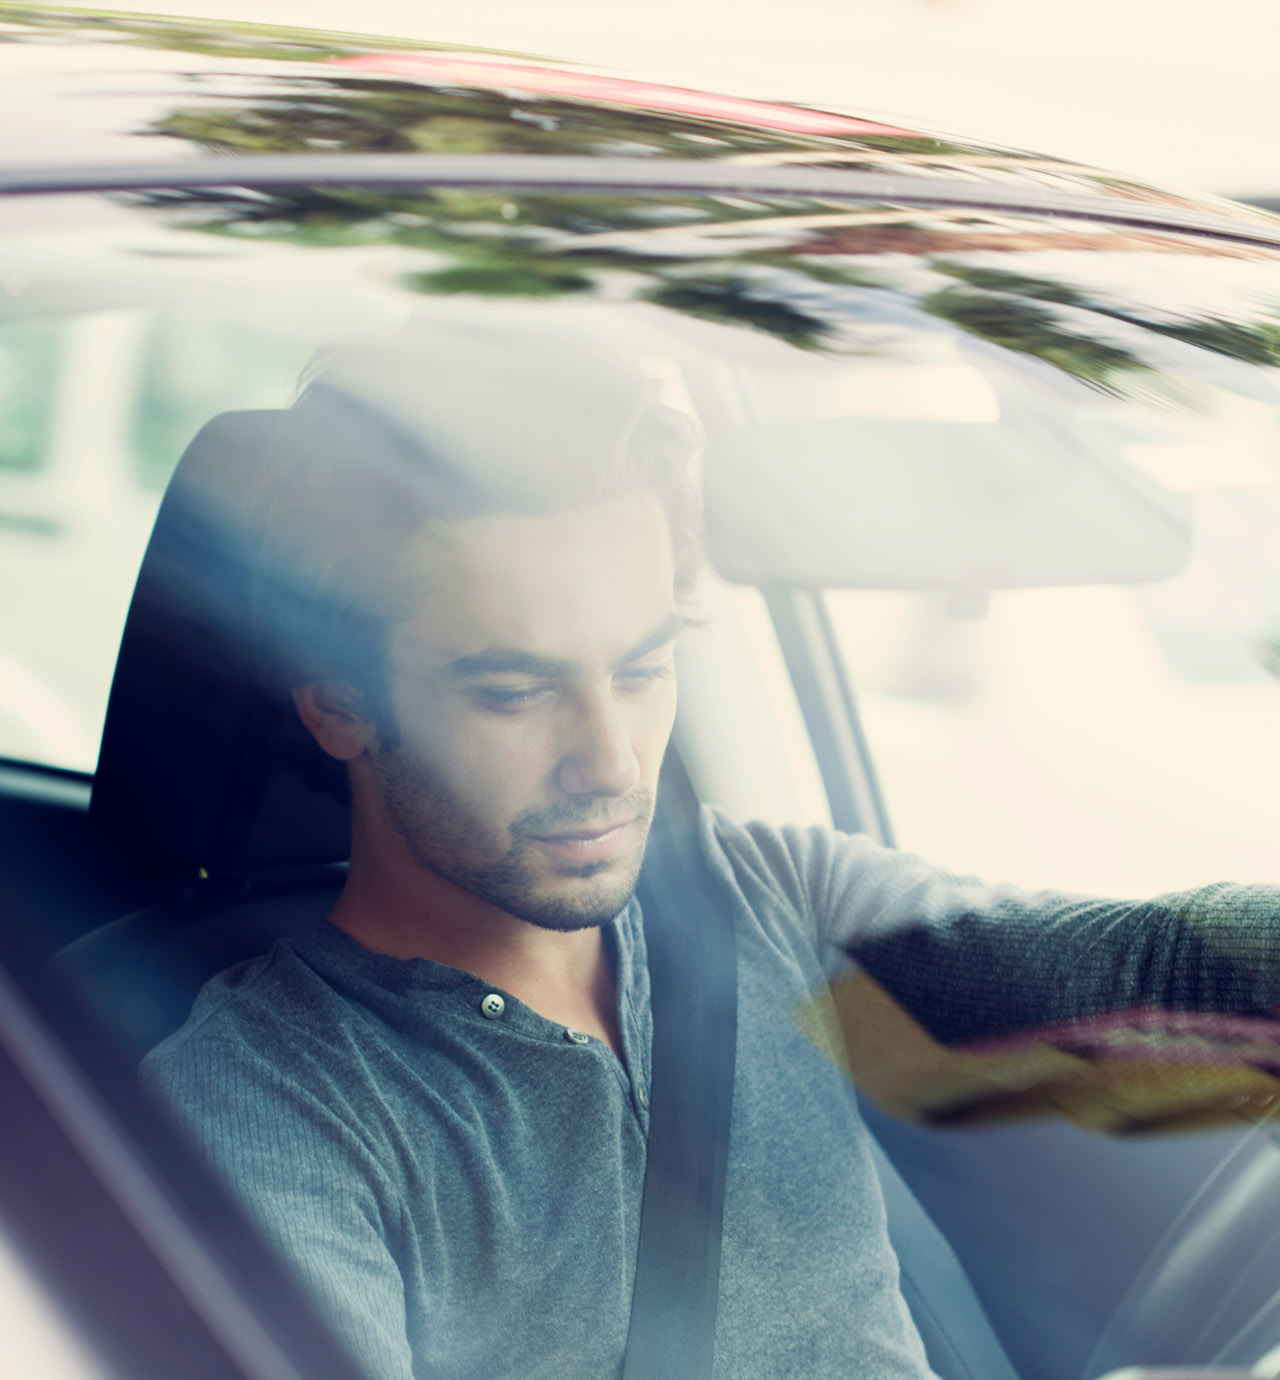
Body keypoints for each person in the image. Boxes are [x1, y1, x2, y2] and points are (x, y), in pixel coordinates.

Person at [141, 321, 1280, 1380]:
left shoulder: (774, 902)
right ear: (339, 704)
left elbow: (1167, 980)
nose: (612, 762)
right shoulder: (267, 1106)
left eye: (640, 670)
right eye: (514, 691)